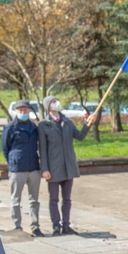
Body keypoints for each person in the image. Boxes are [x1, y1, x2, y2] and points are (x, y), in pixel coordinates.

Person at [38, 96, 94, 235]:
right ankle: (56, 226)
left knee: (67, 199)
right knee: (54, 199)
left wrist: (88, 124)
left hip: (68, 166)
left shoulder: (67, 122)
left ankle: (66, 225)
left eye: (56, 101)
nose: (56, 103)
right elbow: (42, 149)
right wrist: (44, 169)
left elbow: (80, 136)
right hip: (53, 167)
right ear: (47, 106)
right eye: (53, 102)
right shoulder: (44, 125)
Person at [1, 100, 43, 237]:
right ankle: (17, 226)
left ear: (29, 111)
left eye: (25, 110)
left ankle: (35, 226)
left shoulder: (34, 127)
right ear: (16, 111)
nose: (23, 112)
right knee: (15, 199)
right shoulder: (10, 127)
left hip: (33, 167)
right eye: (20, 110)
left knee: (34, 200)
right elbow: (5, 148)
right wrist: (13, 161)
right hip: (18, 168)